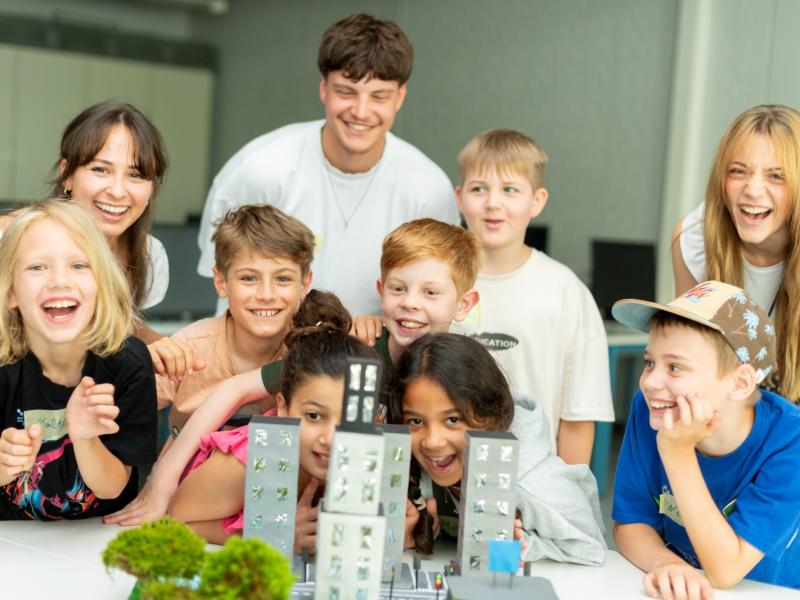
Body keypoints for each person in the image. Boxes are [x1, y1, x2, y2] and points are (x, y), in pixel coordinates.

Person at [105, 218, 481, 525]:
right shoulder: (353, 352)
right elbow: (234, 389)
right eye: (399, 289)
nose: (411, 304)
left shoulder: (462, 370)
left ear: (464, 304)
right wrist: (161, 480)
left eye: (430, 293)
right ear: (381, 291)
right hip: (258, 490)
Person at [197, 13, 458, 317]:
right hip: (266, 345)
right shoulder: (259, 170)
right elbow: (226, 287)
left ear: (400, 97)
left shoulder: (428, 189)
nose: (361, 111)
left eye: (379, 96)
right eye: (346, 92)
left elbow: (439, 301)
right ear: (323, 88)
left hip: (379, 347)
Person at [612, 281, 800, 594]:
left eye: (675, 367)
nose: (651, 382)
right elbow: (631, 521)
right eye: (649, 362)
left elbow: (725, 572)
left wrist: (677, 453)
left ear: (740, 383)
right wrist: (666, 564)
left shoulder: (790, 441)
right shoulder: (651, 409)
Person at [165, 291, 376, 548]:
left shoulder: (365, 459)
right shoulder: (250, 459)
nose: (331, 438)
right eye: (313, 416)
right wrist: (276, 535)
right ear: (283, 408)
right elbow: (175, 521)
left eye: (350, 419)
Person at [455, 129, 614, 463]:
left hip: (534, 476)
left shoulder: (565, 291)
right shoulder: (437, 284)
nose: (493, 203)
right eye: (478, 189)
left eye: (510, 189)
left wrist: (566, 489)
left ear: (537, 201)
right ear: (459, 197)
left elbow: (578, 416)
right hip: (444, 472)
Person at [387, 333, 606, 565]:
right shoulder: (420, 462)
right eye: (416, 421)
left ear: (490, 415)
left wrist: (521, 547)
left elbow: (593, 549)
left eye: (453, 420)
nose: (432, 441)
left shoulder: (531, 484)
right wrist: (424, 532)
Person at [0, 201, 157, 519]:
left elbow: (112, 488)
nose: (59, 280)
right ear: (11, 292)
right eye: (37, 267)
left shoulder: (128, 364)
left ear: (102, 284)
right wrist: (4, 465)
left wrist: (86, 438)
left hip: (97, 538)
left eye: (79, 265)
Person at [672, 105, 800, 402]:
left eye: (776, 176)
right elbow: (689, 355)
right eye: (738, 171)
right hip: (726, 406)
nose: (753, 190)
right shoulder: (695, 239)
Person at [152, 204, 313, 438]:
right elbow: (124, 408)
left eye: (282, 279)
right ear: (221, 283)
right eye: (249, 278)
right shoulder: (191, 346)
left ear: (304, 284)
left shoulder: (313, 352)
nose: (266, 295)